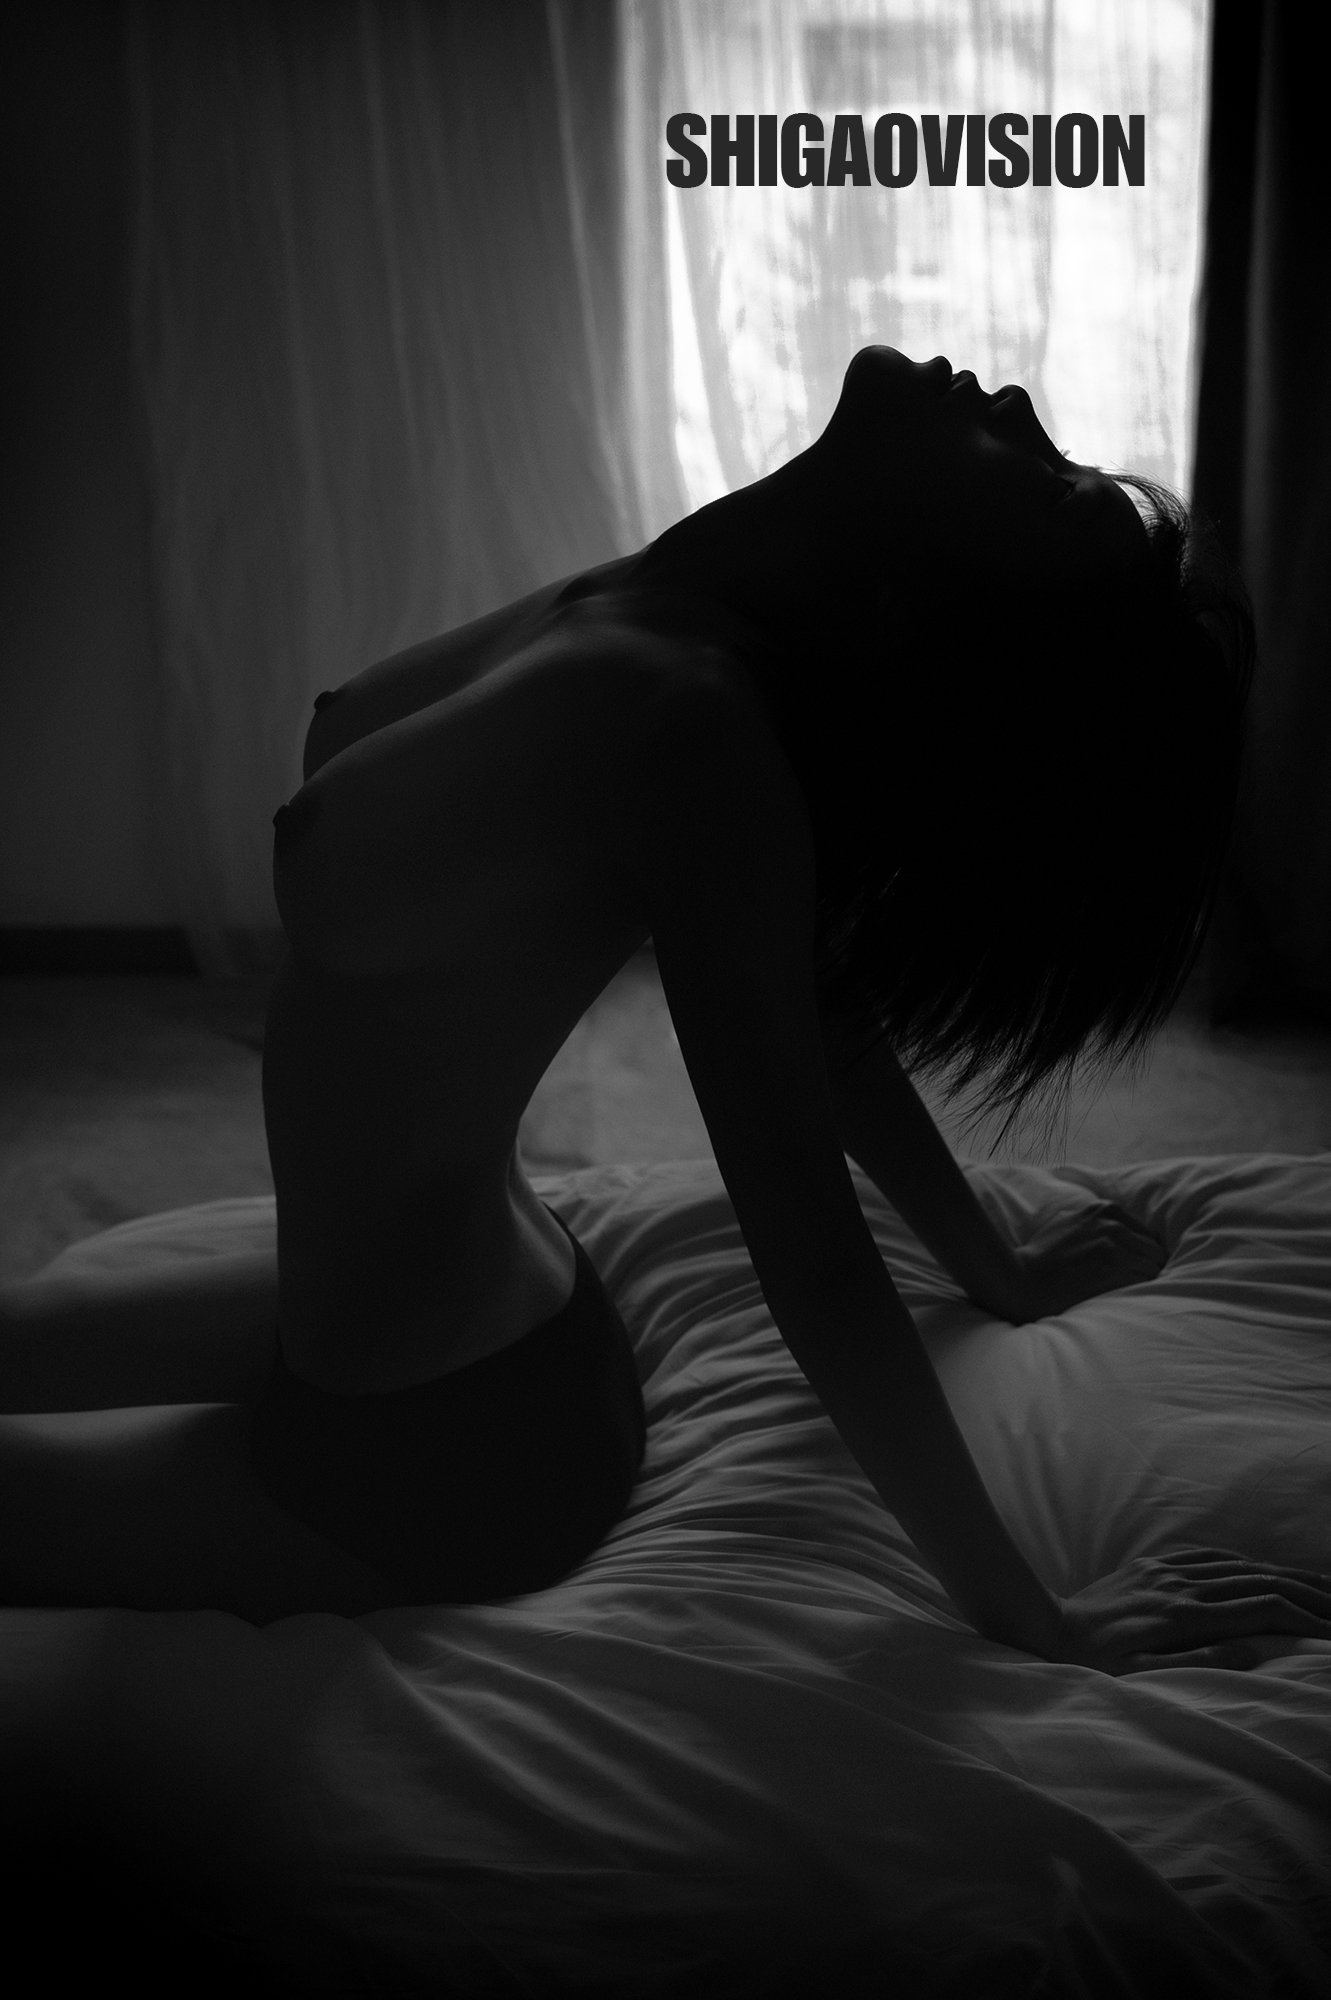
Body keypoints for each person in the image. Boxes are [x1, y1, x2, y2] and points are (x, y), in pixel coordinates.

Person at [2, 346, 1328, 1666]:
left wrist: (1037, 1617)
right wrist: (1002, 1266)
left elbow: (817, 1261)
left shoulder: (684, 731)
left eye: (1044, 482)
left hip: (434, 1442)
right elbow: (821, 1006)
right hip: (438, 1318)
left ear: (944, 588)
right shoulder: (672, 601)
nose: (1022, 406)